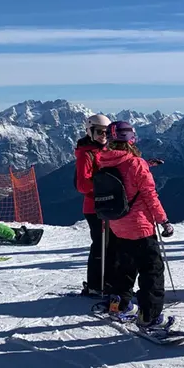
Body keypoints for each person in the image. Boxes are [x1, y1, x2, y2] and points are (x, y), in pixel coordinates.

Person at [97, 121, 174, 329]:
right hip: (140, 227)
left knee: (124, 269)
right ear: (131, 139)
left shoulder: (104, 162)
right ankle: (149, 317)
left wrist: (146, 165)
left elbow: (123, 175)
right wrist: (164, 221)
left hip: (117, 225)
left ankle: (118, 305)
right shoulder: (136, 164)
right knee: (152, 272)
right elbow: (150, 196)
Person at [75, 113, 117, 296]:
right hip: (95, 207)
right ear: (89, 132)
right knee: (101, 245)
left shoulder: (103, 150)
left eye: (107, 132)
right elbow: (82, 185)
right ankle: (95, 284)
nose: (103, 136)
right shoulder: (86, 154)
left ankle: (107, 281)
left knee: (110, 245)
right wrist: (103, 185)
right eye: (99, 132)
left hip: (108, 205)